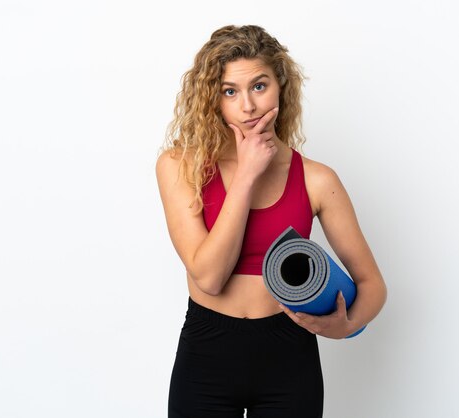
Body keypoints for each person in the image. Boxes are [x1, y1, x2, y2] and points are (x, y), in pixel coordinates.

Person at [156, 24, 387, 418]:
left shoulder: (317, 179)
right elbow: (209, 278)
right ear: (214, 99)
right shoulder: (181, 167)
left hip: (289, 354)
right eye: (230, 91)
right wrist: (246, 175)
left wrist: (347, 326)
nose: (247, 106)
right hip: (207, 351)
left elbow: (372, 285)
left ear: (280, 85)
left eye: (259, 86)